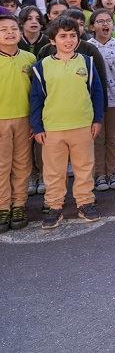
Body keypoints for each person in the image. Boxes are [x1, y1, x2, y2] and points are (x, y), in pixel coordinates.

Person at [29, 17, 105, 229]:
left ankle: (85, 202)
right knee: (54, 171)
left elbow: (97, 93)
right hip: (52, 128)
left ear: (78, 38)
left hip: (82, 125)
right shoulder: (41, 66)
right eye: (63, 36)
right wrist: (37, 127)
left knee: (84, 167)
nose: (69, 40)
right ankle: (54, 206)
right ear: (52, 40)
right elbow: (36, 99)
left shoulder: (87, 62)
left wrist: (97, 119)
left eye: (73, 35)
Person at [87, 9, 115, 192]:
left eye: (108, 21)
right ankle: (99, 175)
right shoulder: (86, 47)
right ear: (92, 26)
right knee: (97, 138)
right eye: (100, 21)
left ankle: (112, 173)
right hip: (93, 102)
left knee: (113, 138)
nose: (105, 24)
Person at [0, 14, 37, 232]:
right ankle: (3, 205)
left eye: (14, 28)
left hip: (24, 119)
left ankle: (19, 204)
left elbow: (35, 94)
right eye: (3, 29)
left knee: (22, 164)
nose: (10, 33)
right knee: (2, 165)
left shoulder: (29, 59)